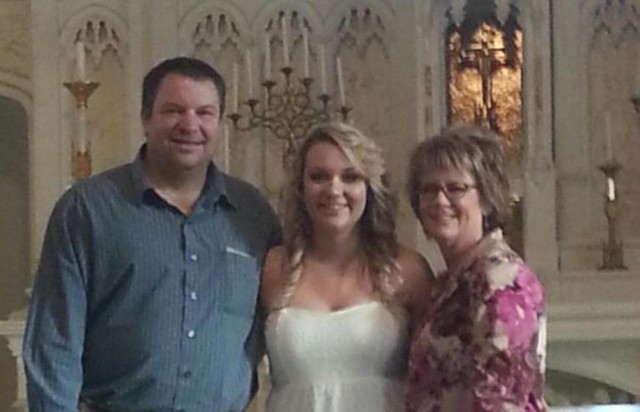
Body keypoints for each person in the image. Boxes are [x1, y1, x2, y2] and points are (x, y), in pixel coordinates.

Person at [23, 57, 281, 412]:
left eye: (205, 113)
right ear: (146, 118)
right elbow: (54, 342)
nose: (190, 124)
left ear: (220, 123)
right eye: (174, 111)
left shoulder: (252, 214)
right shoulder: (87, 209)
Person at [259, 122, 433, 412]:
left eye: (350, 177)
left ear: (370, 187)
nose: (334, 190)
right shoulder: (274, 267)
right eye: (319, 177)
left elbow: (436, 377)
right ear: (301, 187)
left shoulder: (407, 269)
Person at [404, 124, 547, 412]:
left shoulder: (503, 281)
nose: (440, 200)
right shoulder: (448, 283)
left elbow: (500, 401)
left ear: (485, 198)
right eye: (429, 189)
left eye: (455, 188)